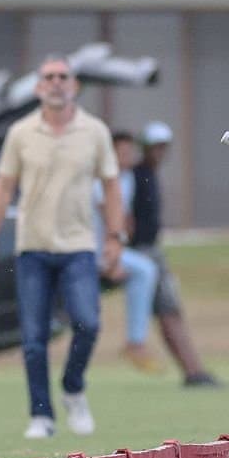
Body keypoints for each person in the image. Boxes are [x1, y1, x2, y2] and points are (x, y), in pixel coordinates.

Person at [0, 55, 125, 438]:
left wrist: (113, 237)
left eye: (63, 77)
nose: (56, 82)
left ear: (73, 86)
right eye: (49, 77)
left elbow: (110, 186)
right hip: (33, 248)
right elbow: (3, 187)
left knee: (88, 323)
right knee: (33, 338)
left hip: (78, 247)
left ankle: (73, 388)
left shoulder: (94, 132)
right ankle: (42, 415)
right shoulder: (21, 133)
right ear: (40, 87)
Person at [132, 120, 221, 386]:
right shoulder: (137, 176)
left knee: (170, 311)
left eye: (163, 147)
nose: (159, 152)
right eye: (154, 146)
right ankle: (193, 372)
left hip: (150, 250)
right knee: (169, 311)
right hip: (141, 253)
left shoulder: (150, 174)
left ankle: (193, 370)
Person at [94, 130, 162, 373]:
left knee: (145, 270)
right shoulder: (99, 179)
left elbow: (124, 220)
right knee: (144, 270)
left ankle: (135, 342)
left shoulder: (128, 178)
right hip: (91, 249)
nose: (127, 157)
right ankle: (135, 342)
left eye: (129, 152)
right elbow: (107, 217)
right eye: (121, 152)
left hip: (112, 248)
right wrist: (113, 260)